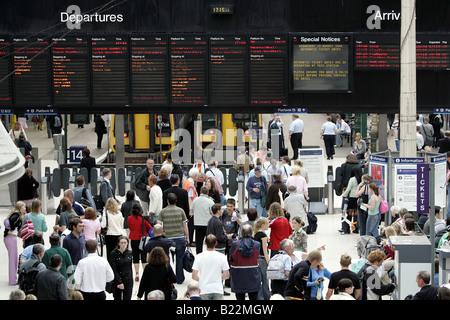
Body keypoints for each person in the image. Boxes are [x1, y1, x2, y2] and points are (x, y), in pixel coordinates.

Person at [158, 192, 190, 284]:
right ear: (176, 201)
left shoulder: (163, 211)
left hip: (168, 238)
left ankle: (170, 278)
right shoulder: (181, 211)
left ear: (167, 201)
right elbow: (185, 226)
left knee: (167, 259)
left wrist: (162, 233)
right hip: (180, 237)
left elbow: (158, 225)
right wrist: (187, 237)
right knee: (179, 258)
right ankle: (179, 279)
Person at [192, 234, 230, 300]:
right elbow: (227, 275)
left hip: (204, 289)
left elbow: (194, 276)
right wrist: (219, 277)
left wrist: (201, 279)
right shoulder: (222, 257)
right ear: (216, 243)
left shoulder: (199, 257)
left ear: (205, 243)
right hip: (217, 289)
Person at [229, 224, 261, 300]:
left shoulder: (235, 244)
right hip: (253, 274)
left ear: (241, 233)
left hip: (238, 274)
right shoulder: (257, 244)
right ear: (251, 232)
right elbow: (257, 256)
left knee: (240, 297)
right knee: (254, 297)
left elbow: (231, 258)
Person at [127, 202, 151, 282]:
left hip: (133, 239)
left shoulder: (129, 218)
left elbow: (130, 227)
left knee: (135, 257)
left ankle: (137, 273)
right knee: (144, 257)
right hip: (142, 240)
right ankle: (145, 274)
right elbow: (149, 227)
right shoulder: (143, 219)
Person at [5, 201, 27, 283]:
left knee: (13, 259)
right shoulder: (17, 214)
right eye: (24, 207)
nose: (25, 208)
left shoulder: (16, 214)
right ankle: (12, 280)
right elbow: (11, 220)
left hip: (10, 238)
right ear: (20, 207)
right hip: (11, 238)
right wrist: (13, 227)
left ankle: (13, 279)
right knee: (13, 260)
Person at [190, 186, 214, 254]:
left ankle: (198, 256)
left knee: (199, 243)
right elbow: (213, 212)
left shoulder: (195, 200)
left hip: (198, 224)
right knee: (209, 242)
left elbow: (191, 210)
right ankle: (209, 255)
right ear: (208, 192)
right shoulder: (210, 201)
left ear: (200, 191)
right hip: (207, 224)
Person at [109, 236, 134, 300]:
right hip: (118, 278)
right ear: (118, 243)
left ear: (127, 243)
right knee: (117, 297)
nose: (123, 244)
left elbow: (130, 267)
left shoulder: (130, 253)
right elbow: (113, 268)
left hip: (128, 279)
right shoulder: (113, 253)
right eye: (121, 243)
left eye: (125, 243)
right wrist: (119, 282)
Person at [340, 166, 363, 234]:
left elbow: (348, 189)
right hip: (359, 197)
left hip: (352, 197)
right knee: (356, 213)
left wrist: (344, 195)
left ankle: (347, 228)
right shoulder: (361, 179)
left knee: (349, 213)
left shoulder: (352, 179)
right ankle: (356, 228)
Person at [102, 198, 125, 262]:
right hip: (119, 234)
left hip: (109, 234)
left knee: (109, 253)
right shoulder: (119, 213)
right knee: (118, 253)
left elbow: (103, 225)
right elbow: (121, 225)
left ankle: (111, 267)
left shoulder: (106, 213)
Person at [253, 217, 270, 300]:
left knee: (259, 280)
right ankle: (266, 297)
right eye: (267, 224)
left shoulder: (256, 234)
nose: (268, 225)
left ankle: (259, 297)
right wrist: (268, 261)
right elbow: (265, 250)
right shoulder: (263, 235)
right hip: (263, 259)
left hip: (257, 259)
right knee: (265, 280)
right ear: (263, 225)